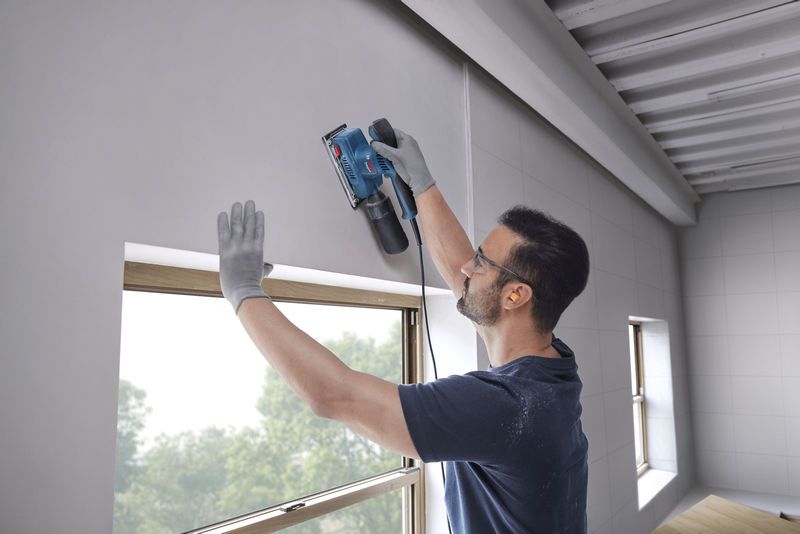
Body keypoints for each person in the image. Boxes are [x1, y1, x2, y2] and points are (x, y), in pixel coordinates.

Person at [217, 128, 590, 533]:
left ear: (516, 296)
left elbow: (335, 396)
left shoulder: (507, 405)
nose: (468, 267)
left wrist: (244, 293)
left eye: (482, 262)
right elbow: (466, 279)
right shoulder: (550, 365)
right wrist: (423, 185)